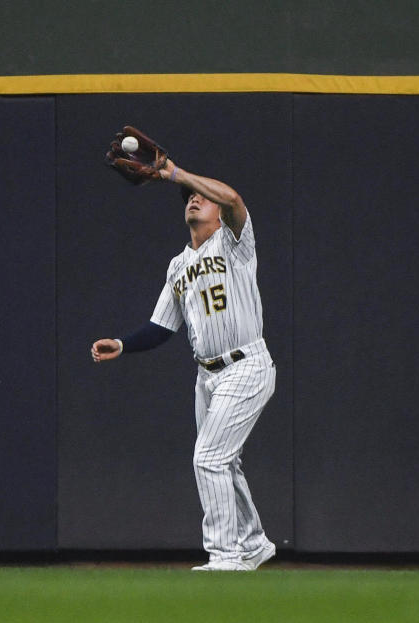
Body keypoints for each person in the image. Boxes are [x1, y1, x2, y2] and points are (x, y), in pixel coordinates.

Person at [90, 157, 277, 571]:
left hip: (246, 365)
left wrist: (176, 174)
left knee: (208, 458)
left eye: (201, 197)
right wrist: (123, 344)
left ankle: (225, 555)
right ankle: (254, 542)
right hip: (206, 376)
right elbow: (161, 326)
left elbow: (232, 198)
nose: (195, 199)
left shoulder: (234, 242)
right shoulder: (178, 265)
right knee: (224, 461)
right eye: (188, 197)